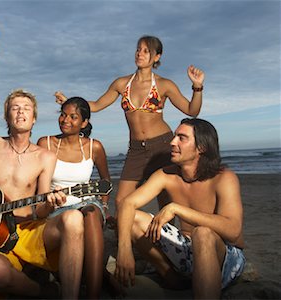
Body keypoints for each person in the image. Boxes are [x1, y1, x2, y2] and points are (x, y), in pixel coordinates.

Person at [0, 89, 85, 299]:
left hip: (28, 230)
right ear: (7, 117)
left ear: (34, 118)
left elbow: (40, 209)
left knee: (74, 217)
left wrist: (51, 204)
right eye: (15, 108)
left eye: (26, 108)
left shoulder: (45, 157)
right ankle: (44, 293)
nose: (21, 112)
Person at [55, 35, 205, 223]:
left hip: (162, 146)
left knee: (166, 199)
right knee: (122, 199)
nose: (139, 54)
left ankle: (165, 241)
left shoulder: (164, 85)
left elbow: (192, 110)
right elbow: (96, 105)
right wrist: (70, 102)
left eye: (146, 51)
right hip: (136, 149)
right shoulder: (121, 84)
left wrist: (197, 87)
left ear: (157, 57)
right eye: (138, 49)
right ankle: (122, 240)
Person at [114, 118, 246, 299]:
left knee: (203, 234)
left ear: (202, 147)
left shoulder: (224, 178)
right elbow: (128, 204)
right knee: (134, 218)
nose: (172, 142)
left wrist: (176, 209)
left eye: (181, 138)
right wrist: (124, 250)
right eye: (175, 136)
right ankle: (172, 278)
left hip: (224, 257)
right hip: (185, 250)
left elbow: (233, 232)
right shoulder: (166, 174)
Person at [37, 96, 111, 299]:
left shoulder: (94, 147)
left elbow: (106, 181)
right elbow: (36, 182)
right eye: (63, 114)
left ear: (84, 123)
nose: (65, 120)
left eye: (73, 116)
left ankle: (93, 294)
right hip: (56, 210)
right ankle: (100, 279)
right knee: (80, 217)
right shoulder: (46, 143)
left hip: (87, 204)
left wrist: (104, 206)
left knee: (90, 213)